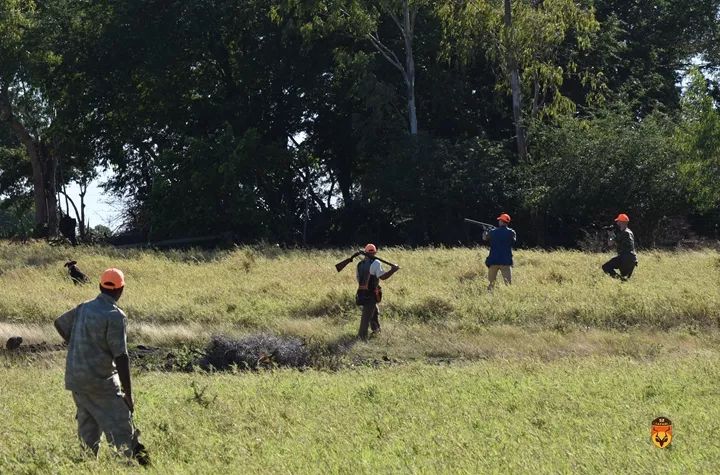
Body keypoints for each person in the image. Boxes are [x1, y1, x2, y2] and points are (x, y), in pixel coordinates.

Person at [54, 268, 148, 465]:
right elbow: (121, 356)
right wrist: (128, 393)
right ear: (121, 290)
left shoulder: (84, 307)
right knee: (122, 429)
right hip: (100, 381)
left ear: (99, 286)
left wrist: (80, 344)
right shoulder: (115, 315)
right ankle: (127, 466)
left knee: (88, 432)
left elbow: (59, 324)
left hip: (76, 380)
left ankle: (87, 467)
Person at [356, 244, 399, 340]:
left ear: (365, 253)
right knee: (366, 316)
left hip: (361, 293)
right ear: (375, 252)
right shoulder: (376, 263)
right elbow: (383, 277)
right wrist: (393, 270)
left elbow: (358, 279)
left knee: (374, 312)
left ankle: (376, 331)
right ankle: (361, 337)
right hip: (371, 294)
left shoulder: (359, 264)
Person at [483, 213, 517, 290]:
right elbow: (513, 241)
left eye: (499, 220)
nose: (498, 222)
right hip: (506, 261)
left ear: (501, 221)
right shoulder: (511, 232)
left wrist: (485, 230)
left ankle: (490, 297)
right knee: (508, 284)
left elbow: (484, 238)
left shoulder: (492, 232)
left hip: (493, 261)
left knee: (491, 284)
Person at [602, 213, 638, 280]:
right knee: (625, 279)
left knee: (606, 267)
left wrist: (610, 235)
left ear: (621, 222)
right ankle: (622, 280)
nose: (617, 223)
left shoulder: (624, 233)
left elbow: (610, 243)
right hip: (632, 259)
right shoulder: (629, 232)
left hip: (625, 258)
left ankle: (621, 280)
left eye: (618, 221)